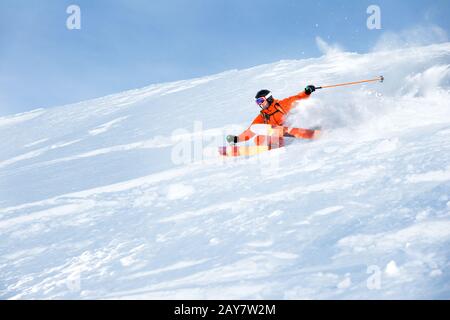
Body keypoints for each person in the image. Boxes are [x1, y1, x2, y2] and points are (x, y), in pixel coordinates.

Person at [226, 86, 321, 148]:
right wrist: (237, 139)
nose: (260, 104)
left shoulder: (282, 104)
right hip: (280, 137)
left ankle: (311, 130)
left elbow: (298, 97)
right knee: (258, 138)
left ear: (268, 98)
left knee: (299, 113)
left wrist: (307, 92)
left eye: (260, 101)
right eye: (257, 102)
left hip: (290, 128)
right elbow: (251, 130)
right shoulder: (263, 115)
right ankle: (274, 148)